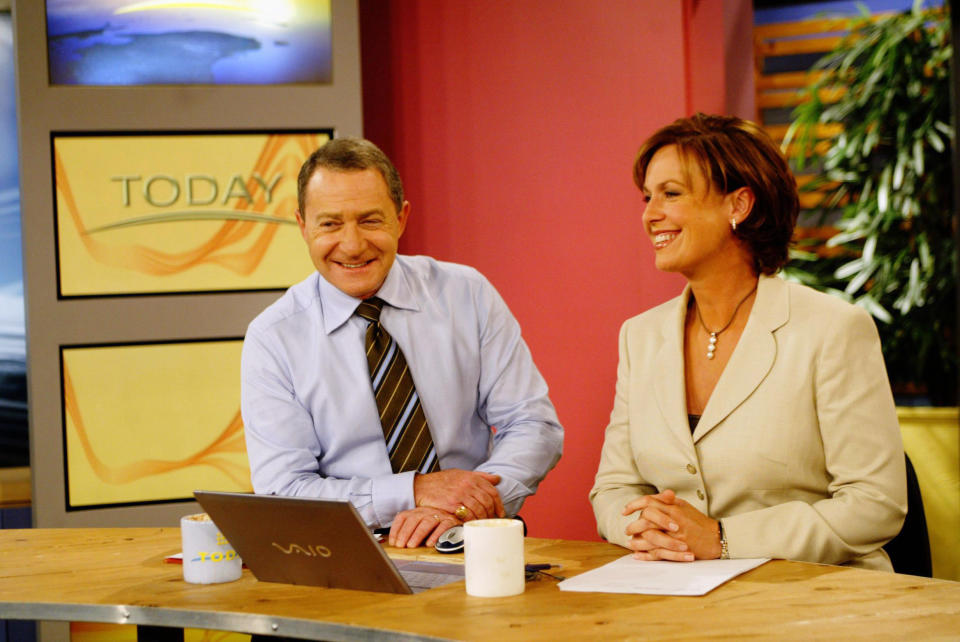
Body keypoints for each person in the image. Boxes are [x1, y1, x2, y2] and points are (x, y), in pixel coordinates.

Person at [589, 114, 906, 570]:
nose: (649, 214)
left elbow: (875, 504)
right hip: (675, 596)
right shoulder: (639, 336)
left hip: (814, 601)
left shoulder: (833, 328)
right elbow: (613, 488)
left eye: (671, 194)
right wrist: (648, 529)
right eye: (647, 196)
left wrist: (721, 538)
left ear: (738, 205)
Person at [241, 137, 563, 550]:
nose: (353, 244)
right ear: (303, 226)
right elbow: (283, 490)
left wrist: (461, 506)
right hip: (347, 551)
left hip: (477, 539)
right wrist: (415, 492)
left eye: (370, 220)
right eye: (330, 223)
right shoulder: (274, 337)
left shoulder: (467, 293)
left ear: (401, 217)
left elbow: (533, 424)